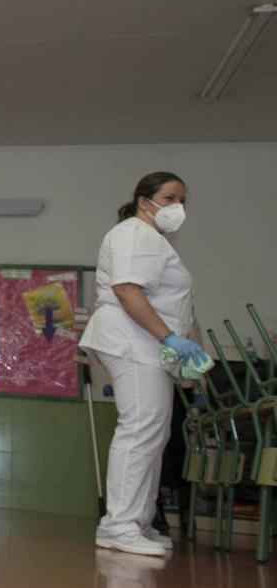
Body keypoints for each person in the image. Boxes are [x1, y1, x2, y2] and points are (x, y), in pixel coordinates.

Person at [81, 172, 209, 556]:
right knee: (140, 431)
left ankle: (136, 521)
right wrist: (168, 338)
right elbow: (127, 290)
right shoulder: (134, 233)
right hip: (132, 342)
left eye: (182, 199)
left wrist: (172, 342)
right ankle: (119, 525)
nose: (177, 207)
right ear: (143, 200)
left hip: (144, 345)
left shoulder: (151, 238)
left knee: (153, 433)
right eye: (169, 198)